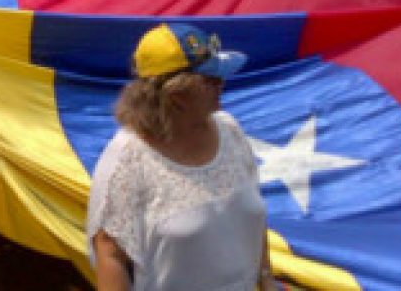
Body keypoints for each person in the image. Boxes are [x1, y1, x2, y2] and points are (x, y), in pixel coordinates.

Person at [87, 23, 278, 291]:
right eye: (210, 80)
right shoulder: (128, 158)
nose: (222, 84)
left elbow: (253, 219)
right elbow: (111, 254)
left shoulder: (231, 131)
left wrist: (267, 278)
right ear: (177, 95)